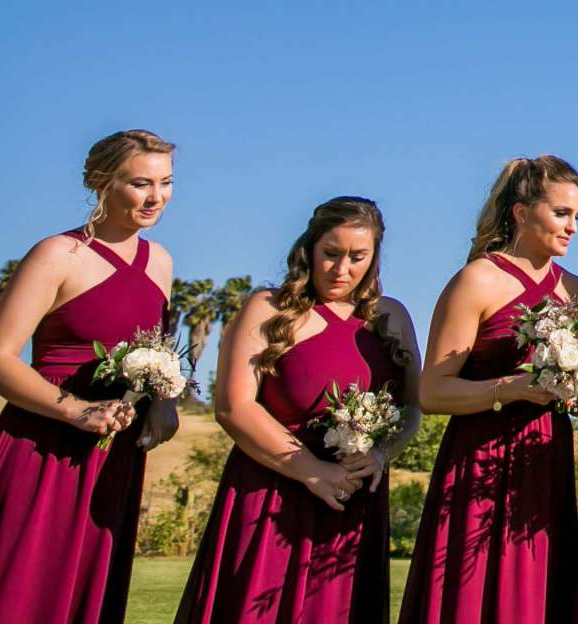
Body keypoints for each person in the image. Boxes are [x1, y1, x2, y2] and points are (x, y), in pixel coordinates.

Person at [0, 129, 182, 624]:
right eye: (139, 183)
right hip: (42, 449)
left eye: (165, 182)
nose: (156, 197)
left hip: (114, 461)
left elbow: (155, 358)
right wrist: (76, 409)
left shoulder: (162, 263)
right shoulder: (56, 255)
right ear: (98, 181)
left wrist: (165, 404)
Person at [175, 196, 422, 624]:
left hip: (353, 506)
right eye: (330, 254)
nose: (341, 269)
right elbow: (233, 406)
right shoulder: (269, 308)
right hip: (271, 494)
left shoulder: (392, 318)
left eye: (357, 257)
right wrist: (310, 468)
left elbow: (413, 408)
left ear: (374, 257)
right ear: (309, 249)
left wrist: (382, 453)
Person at [399, 155, 578, 624]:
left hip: (546, 455)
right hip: (481, 456)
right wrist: (514, 386)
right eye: (561, 213)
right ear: (522, 212)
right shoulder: (478, 279)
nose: (572, 227)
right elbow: (432, 391)